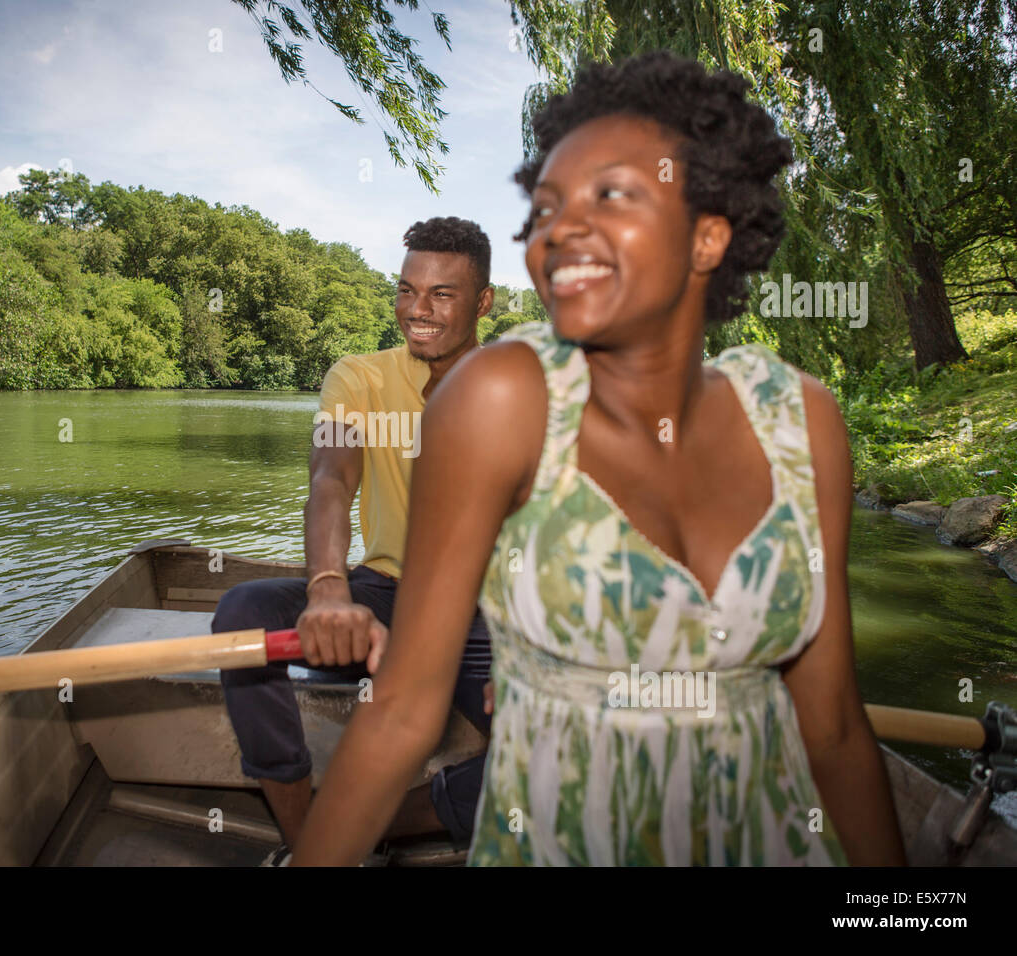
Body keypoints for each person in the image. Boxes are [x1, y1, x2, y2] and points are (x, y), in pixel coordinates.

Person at [292, 51, 906, 866]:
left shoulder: (803, 420)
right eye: (547, 209)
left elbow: (830, 727)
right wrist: (327, 585)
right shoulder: (498, 397)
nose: (562, 230)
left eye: (611, 196)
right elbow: (402, 710)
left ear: (707, 236)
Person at [212, 216, 497, 865]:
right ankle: (306, 844)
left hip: (488, 611)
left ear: (482, 302)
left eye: (441, 295)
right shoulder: (359, 378)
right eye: (406, 290)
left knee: (555, 751)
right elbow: (331, 480)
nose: (416, 311)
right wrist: (328, 587)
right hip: (386, 595)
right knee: (243, 615)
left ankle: (353, 831)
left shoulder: (514, 384)